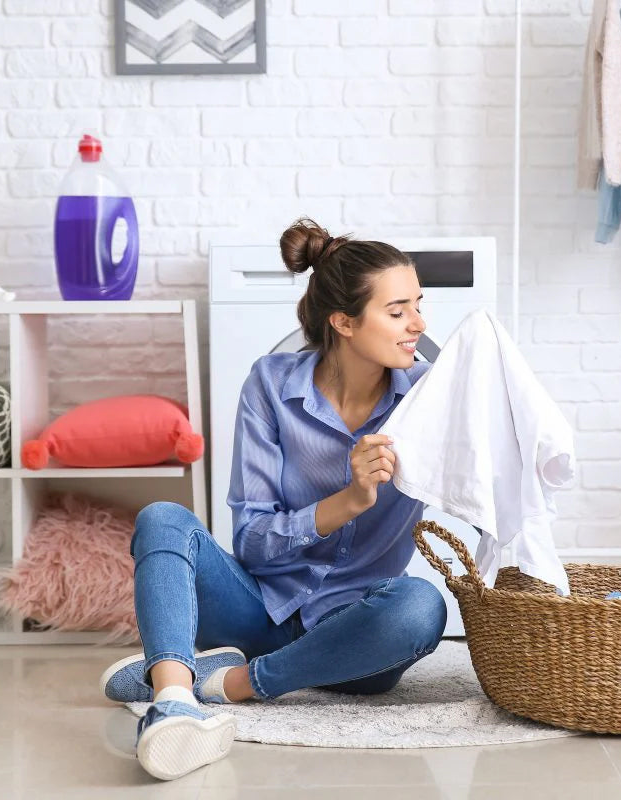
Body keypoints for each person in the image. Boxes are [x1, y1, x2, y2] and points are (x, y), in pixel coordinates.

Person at [99, 217, 447, 781]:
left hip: (350, 640)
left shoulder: (432, 398)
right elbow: (253, 546)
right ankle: (173, 701)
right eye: (398, 310)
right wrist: (349, 500)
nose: (419, 324)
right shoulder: (270, 383)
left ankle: (225, 682)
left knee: (420, 607)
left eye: (418, 305)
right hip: (259, 607)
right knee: (162, 518)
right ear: (344, 322)